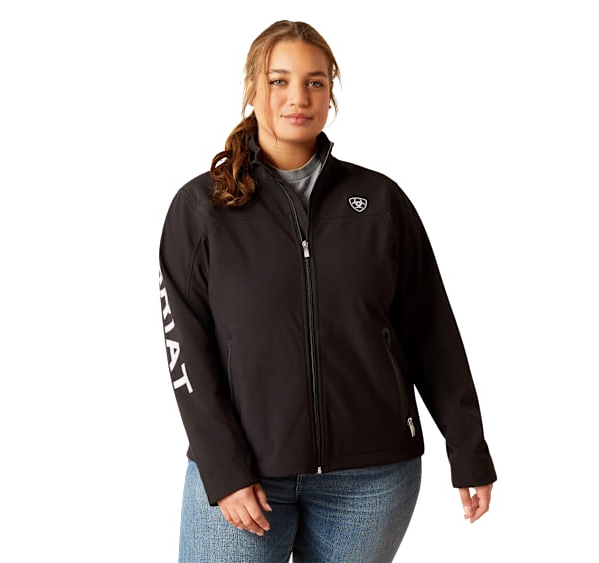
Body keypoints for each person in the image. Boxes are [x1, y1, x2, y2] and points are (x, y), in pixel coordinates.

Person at [158, 19, 497, 562]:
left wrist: (469, 448)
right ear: (252, 90)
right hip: (246, 474)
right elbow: (185, 352)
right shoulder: (203, 208)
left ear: (330, 93)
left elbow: (432, 332)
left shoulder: (379, 201)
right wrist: (223, 468)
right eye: (279, 81)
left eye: (315, 82)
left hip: (371, 479)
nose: (298, 97)